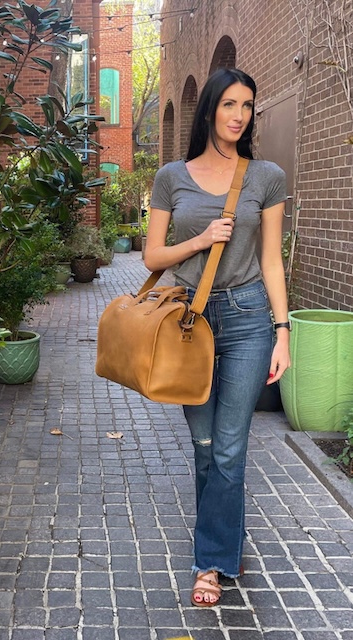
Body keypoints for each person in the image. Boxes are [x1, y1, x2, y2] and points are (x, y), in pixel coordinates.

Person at [145, 68, 291, 607]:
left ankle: (210, 562)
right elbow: (152, 256)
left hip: (249, 318)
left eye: (247, 105)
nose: (239, 115)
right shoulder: (172, 177)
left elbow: (271, 261)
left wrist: (283, 331)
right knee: (204, 447)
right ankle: (226, 540)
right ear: (209, 109)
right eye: (229, 104)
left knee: (230, 447)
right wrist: (201, 239)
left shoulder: (266, 177)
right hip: (190, 322)